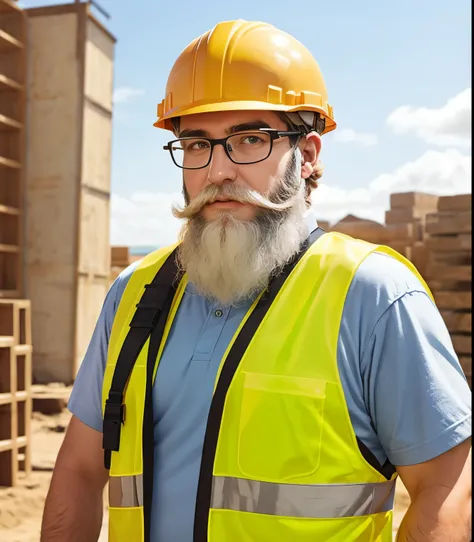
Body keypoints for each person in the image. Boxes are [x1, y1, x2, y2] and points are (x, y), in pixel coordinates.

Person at [40, 19, 471, 542]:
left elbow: (448, 489)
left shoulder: (373, 296)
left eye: (250, 139)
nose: (218, 171)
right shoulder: (133, 293)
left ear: (308, 156)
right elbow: (82, 471)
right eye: (197, 145)